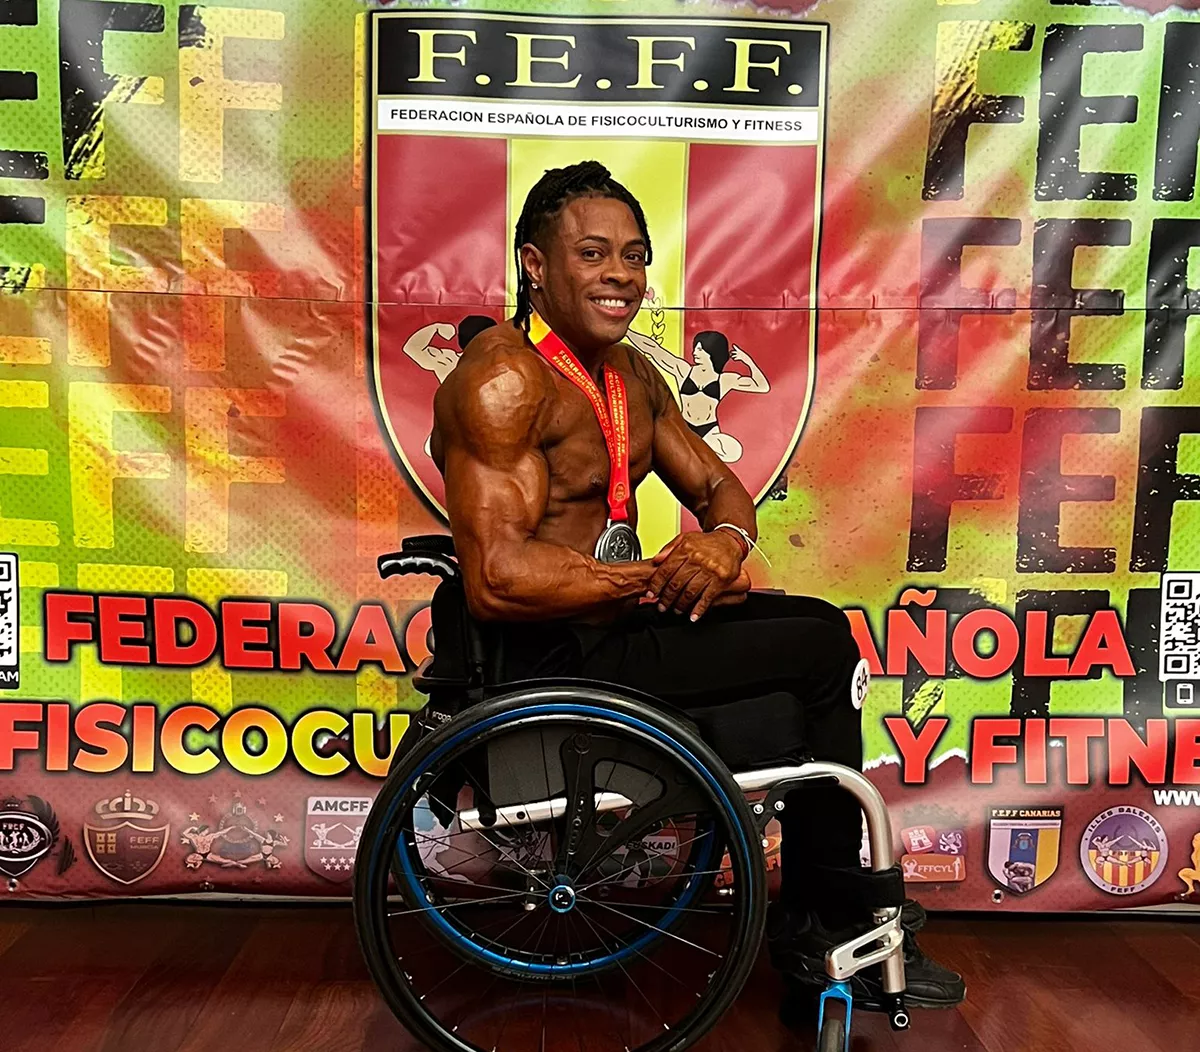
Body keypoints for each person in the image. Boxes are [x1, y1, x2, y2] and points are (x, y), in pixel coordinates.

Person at [428, 160, 964, 1013]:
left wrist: (721, 544)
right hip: (555, 653)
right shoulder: (502, 382)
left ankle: (820, 916)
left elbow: (720, 488)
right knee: (819, 649)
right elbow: (497, 578)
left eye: (634, 256)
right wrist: (655, 577)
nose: (620, 275)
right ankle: (824, 922)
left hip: (615, 625)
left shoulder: (629, 377)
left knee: (819, 636)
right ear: (534, 265)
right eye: (593, 254)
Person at [625, 326, 769, 463]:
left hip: (709, 431)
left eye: (700, 349)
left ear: (711, 352)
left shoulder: (724, 379)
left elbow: (762, 386)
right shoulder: (683, 370)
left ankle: (696, 446)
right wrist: (628, 332)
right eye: (695, 348)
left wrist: (747, 360)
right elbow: (653, 349)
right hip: (684, 426)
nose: (695, 352)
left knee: (734, 451)